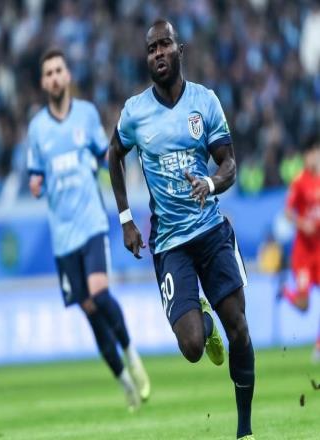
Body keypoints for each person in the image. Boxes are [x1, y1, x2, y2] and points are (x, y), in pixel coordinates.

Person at [108, 20, 255, 439]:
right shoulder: (135, 112)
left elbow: (229, 164)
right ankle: (203, 322)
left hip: (211, 232)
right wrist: (125, 219)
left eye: (164, 44)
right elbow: (113, 154)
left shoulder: (204, 102)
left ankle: (244, 430)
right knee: (192, 347)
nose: (158, 53)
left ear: (179, 49)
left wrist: (210, 182)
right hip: (171, 243)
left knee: (239, 328)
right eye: (151, 48)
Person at [27, 48, 150, 411]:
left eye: (58, 70)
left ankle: (132, 354)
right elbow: (35, 175)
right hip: (63, 237)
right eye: (48, 73)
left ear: (67, 76)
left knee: (99, 293)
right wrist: (35, 184)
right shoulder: (37, 129)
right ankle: (125, 383)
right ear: (43, 82)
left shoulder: (86, 115)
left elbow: (107, 155)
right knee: (90, 309)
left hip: (92, 223)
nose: (54, 77)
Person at [281, 137, 320, 359]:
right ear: (306, 156)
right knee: (304, 306)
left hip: (319, 250)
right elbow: (287, 212)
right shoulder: (299, 182)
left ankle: (319, 345)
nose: (315, 157)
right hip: (303, 254)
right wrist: (302, 223)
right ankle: (285, 292)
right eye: (312, 153)